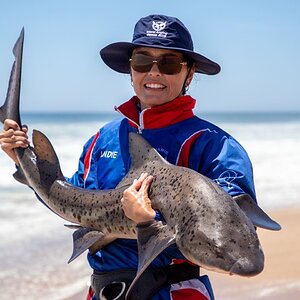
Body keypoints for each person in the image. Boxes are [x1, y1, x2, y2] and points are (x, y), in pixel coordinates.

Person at [0, 14, 257, 300]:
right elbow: (71, 203)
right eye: (143, 61)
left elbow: (234, 235)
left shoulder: (215, 146)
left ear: (190, 73)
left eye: (170, 64)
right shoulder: (103, 139)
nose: (154, 73)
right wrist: (21, 159)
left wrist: (149, 222)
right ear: (131, 70)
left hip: (173, 292)